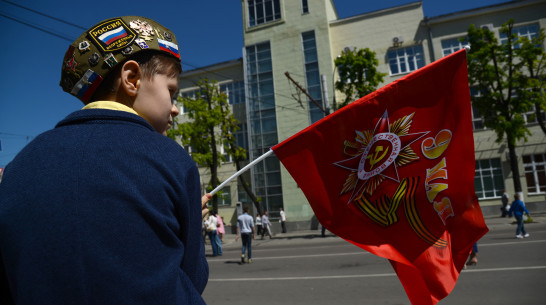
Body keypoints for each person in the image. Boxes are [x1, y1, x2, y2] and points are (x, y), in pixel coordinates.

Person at [0, 16, 210, 304]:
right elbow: (193, 277)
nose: (174, 109)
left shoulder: (20, 165)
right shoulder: (170, 158)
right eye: (171, 91)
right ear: (132, 79)